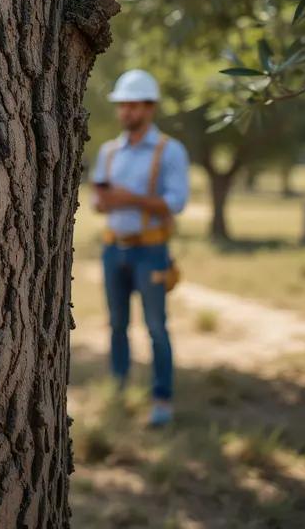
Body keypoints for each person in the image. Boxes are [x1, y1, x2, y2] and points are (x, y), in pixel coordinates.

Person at [90, 69, 190, 427]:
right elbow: (98, 202)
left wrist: (129, 199)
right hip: (113, 249)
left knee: (156, 327)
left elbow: (177, 201)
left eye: (133, 105)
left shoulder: (170, 150)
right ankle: (119, 391)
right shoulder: (109, 151)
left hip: (151, 250)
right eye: (122, 105)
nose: (126, 111)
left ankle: (161, 399)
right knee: (117, 325)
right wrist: (105, 201)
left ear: (150, 107)